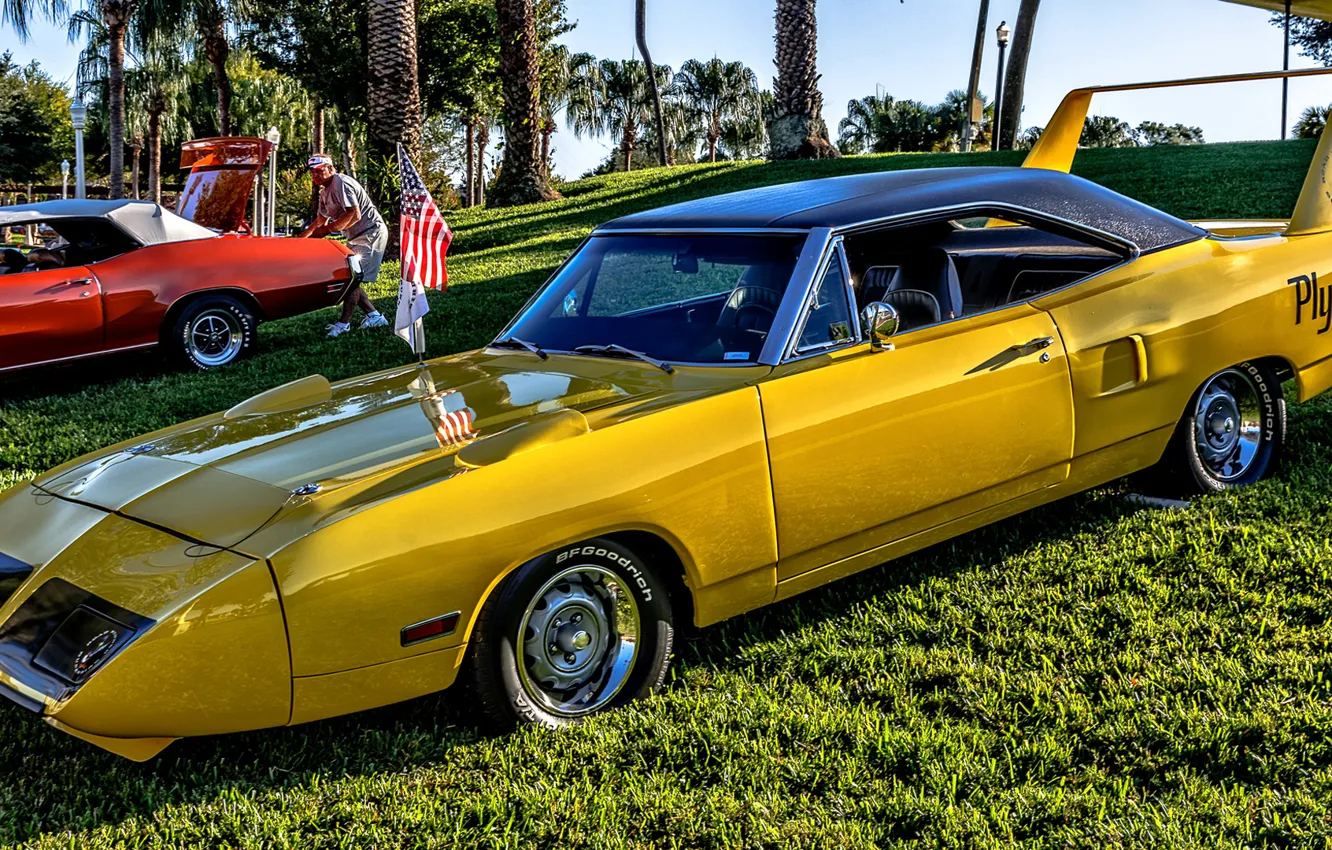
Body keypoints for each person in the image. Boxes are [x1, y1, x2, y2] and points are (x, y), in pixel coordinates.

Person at [299, 154, 390, 337]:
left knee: (351, 279)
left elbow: (354, 215)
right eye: (312, 173)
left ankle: (343, 324)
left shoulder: (341, 183)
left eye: (319, 171)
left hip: (371, 233)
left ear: (331, 169)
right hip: (355, 236)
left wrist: (326, 231)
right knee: (350, 278)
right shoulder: (324, 192)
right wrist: (300, 240)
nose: (315, 176)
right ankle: (374, 316)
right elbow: (319, 220)